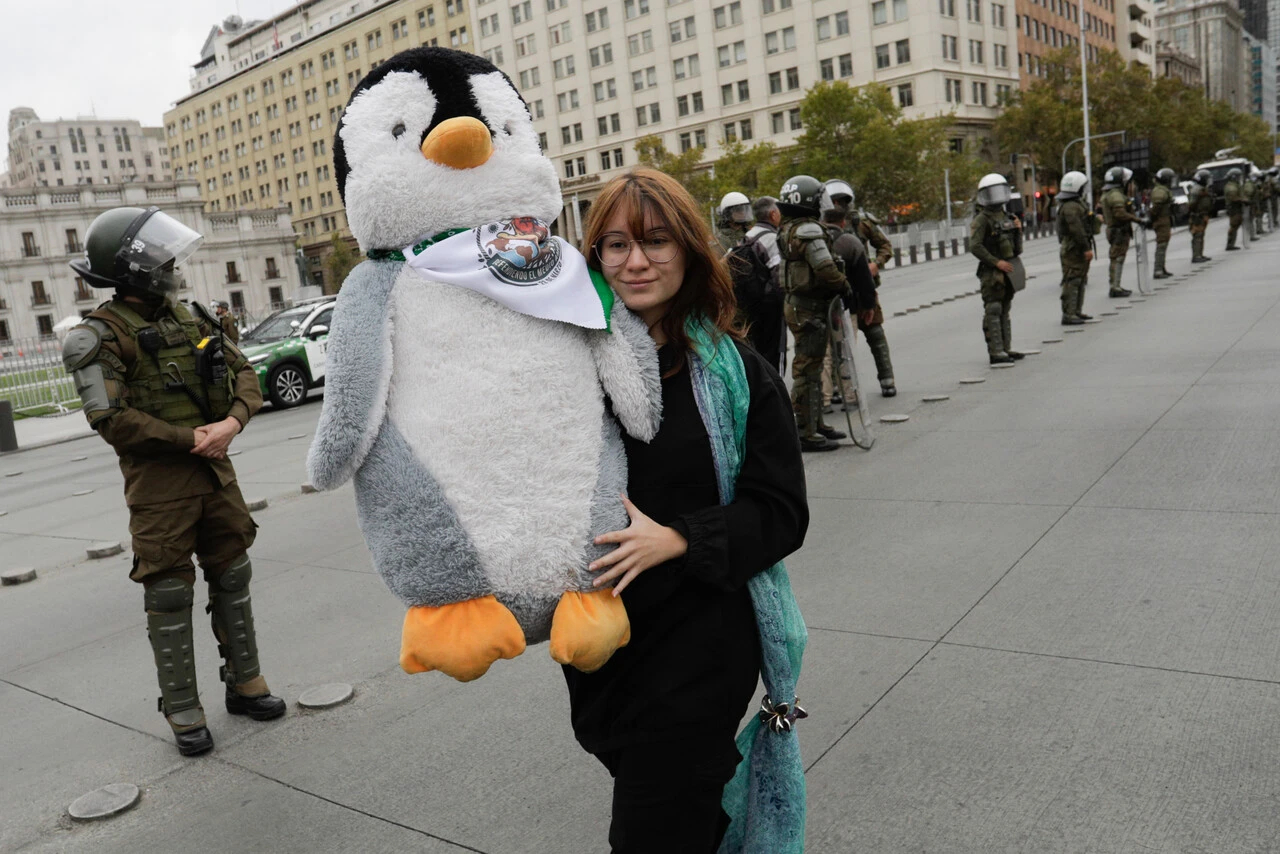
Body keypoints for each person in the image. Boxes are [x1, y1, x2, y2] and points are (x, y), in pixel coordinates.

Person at [570, 167, 810, 853]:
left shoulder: (735, 371)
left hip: (702, 644)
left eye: (655, 241)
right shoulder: (573, 369)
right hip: (605, 649)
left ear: (690, 250)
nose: (636, 261)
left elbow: (782, 511)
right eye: (615, 245)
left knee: (652, 830)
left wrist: (677, 539)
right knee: (689, 821)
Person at [62, 206, 285, 757]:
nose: (170, 264)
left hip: (215, 472)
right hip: (161, 486)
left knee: (233, 572)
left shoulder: (193, 319)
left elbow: (247, 373)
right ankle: (184, 706)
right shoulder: (99, 337)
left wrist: (232, 422)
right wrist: (191, 440)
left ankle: (245, 681)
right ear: (132, 267)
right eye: (157, 256)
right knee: (167, 590)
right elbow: (112, 421)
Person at [777, 174, 859, 451]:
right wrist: (844, 284)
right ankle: (804, 431)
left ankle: (815, 424)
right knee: (807, 371)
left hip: (801, 305)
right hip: (808, 307)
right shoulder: (808, 230)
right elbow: (824, 267)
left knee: (810, 368)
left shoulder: (790, 227)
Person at [823, 179, 897, 397]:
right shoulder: (822, 225)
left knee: (875, 333)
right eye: (833, 201)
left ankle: (887, 379)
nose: (838, 205)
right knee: (838, 342)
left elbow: (885, 246)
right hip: (839, 292)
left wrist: (876, 264)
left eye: (841, 201)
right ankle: (839, 387)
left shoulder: (861, 222)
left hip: (864, 287)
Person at [970, 173, 1025, 364]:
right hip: (991, 272)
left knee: (1004, 309)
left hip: (1008, 269)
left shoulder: (1007, 216)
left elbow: (1017, 249)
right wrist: (995, 262)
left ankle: (1006, 348)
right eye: (991, 192)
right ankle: (996, 351)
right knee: (993, 308)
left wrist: (1018, 230)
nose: (996, 195)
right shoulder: (982, 219)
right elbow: (975, 246)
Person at [738, 195, 786, 373]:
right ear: (773, 214)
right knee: (775, 356)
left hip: (750, 307)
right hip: (771, 310)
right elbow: (779, 279)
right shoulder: (772, 239)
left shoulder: (746, 237)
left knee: (758, 355)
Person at [1056, 170, 1094, 325]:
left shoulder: (1073, 205)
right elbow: (1076, 229)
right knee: (1073, 279)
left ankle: (1076, 311)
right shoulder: (1071, 207)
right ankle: (1069, 313)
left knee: (1080, 279)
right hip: (1073, 249)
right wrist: (1086, 248)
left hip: (1075, 247)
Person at [1100, 166, 1137, 298]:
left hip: (1114, 230)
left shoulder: (1109, 193)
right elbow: (1120, 213)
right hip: (1119, 231)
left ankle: (1115, 285)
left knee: (1115, 258)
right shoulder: (1116, 195)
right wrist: (1137, 220)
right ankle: (1115, 286)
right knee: (1118, 258)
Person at [1149, 168, 1176, 279]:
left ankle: (1162, 268)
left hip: (1164, 219)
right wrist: (1152, 218)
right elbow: (1157, 206)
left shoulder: (1163, 189)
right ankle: (1158, 269)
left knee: (1163, 244)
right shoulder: (1160, 191)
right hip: (1161, 220)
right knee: (1161, 245)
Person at [1188, 169, 1214, 263]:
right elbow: (1191, 204)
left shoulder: (1202, 188)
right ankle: (1196, 256)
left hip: (1202, 215)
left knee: (1201, 235)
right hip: (1197, 216)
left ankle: (1199, 254)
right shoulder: (1196, 189)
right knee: (1198, 235)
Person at [1224, 167, 1244, 251]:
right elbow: (1233, 198)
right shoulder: (1231, 187)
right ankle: (1230, 244)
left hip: (1236, 208)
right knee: (1233, 225)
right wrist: (1243, 200)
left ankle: (1232, 243)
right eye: (1238, 176)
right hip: (1234, 209)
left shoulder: (1235, 185)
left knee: (1235, 225)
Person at [1244, 168, 1260, 240]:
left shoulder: (1250, 184)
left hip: (1251, 204)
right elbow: (1249, 193)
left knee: (1251, 220)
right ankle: (1251, 236)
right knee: (1250, 220)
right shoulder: (1249, 184)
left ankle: (1252, 235)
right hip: (1250, 205)